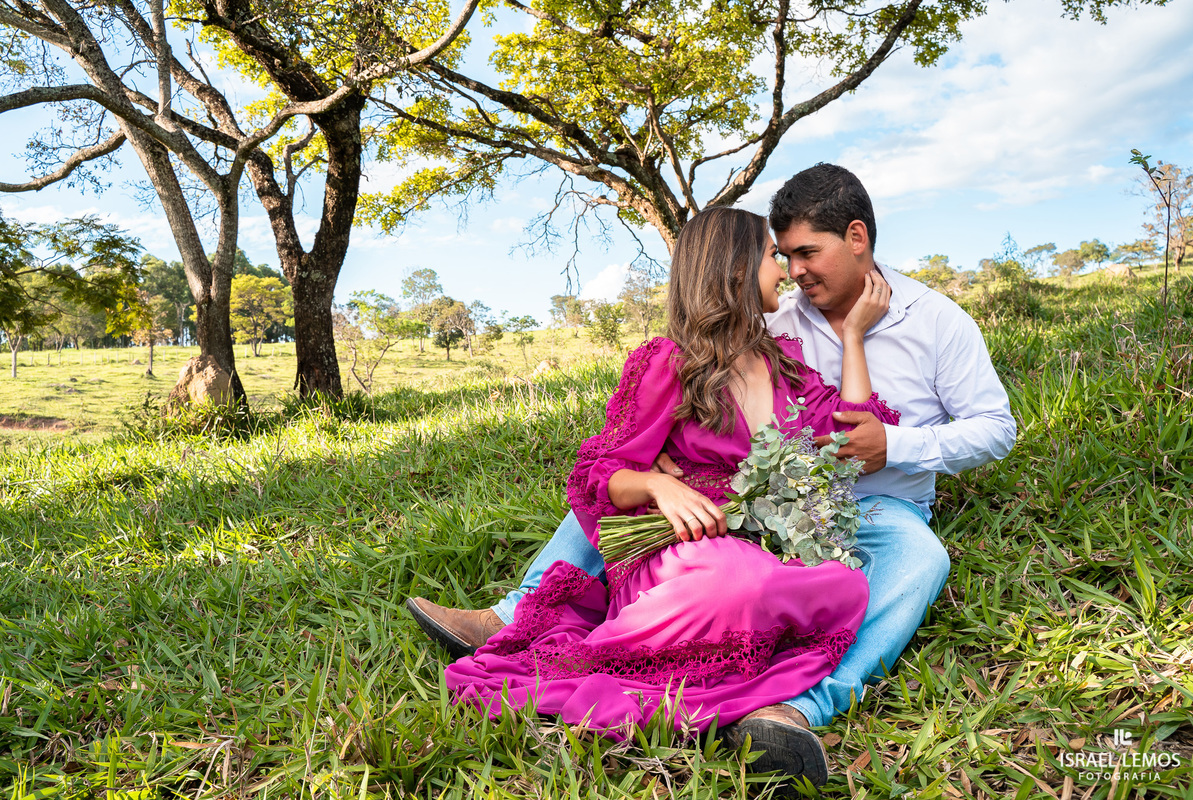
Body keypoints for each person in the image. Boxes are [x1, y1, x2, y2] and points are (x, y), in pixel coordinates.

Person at [408, 164, 1017, 786]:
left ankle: (798, 707)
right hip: (734, 515)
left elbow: (993, 427)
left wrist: (896, 441)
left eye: (807, 253)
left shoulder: (937, 321)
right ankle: (512, 615)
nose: (793, 271)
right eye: (780, 257)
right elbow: (653, 428)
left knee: (918, 561)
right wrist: (661, 475)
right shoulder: (773, 326)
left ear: (857, 238)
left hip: (869, 502)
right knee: (624, 484)